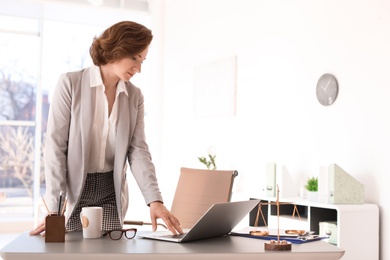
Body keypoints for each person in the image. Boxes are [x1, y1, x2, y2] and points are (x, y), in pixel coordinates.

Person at [30, 21, 183, 236]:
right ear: (116, 49)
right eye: (134, 58)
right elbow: (55, 147)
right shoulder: (70, 84)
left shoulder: (135, 97)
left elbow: (138, 152)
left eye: (143, 60)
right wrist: (55, 209)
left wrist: (154, 201)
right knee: (70, 253)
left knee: (109, 253)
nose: (138, 68)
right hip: (72, 192)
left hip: (110, 191)